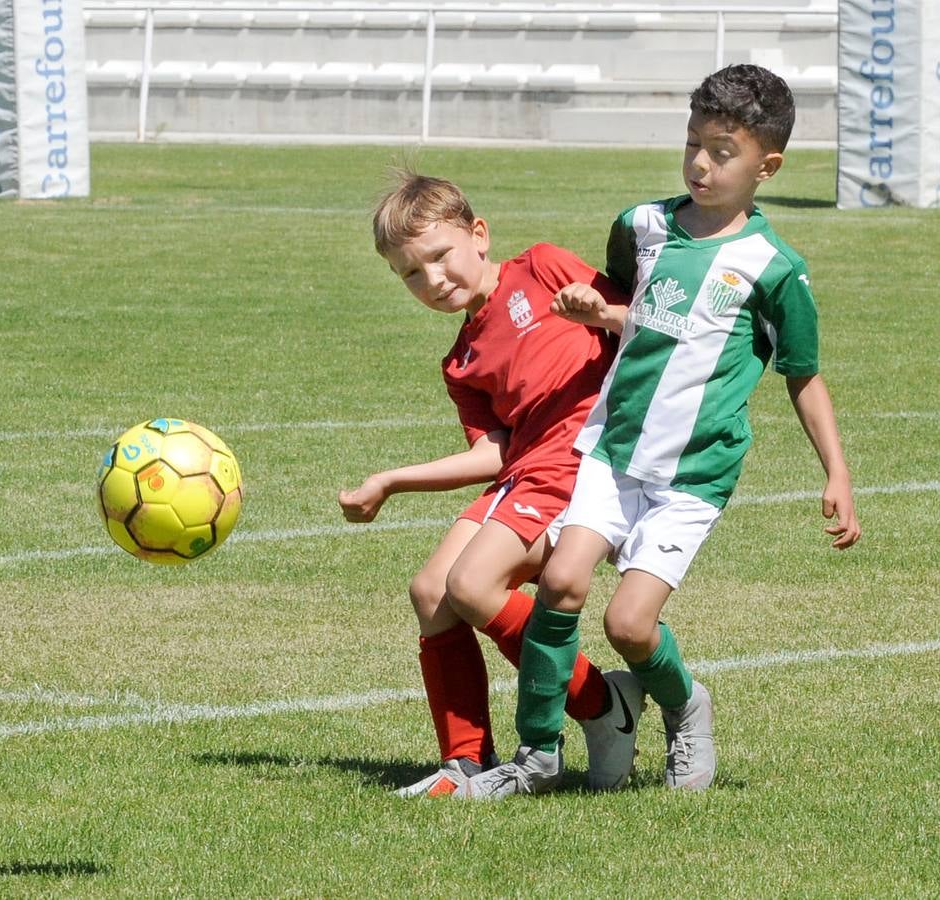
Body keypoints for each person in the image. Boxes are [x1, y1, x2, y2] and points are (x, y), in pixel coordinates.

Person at [459, 65, 862, 800]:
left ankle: (682, 703)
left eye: (721, 150)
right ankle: (536, 757)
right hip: (612, 450)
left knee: (629, 625)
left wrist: (834, 471)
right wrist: (594, 309)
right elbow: (633, 309)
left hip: (692, 475)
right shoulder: (641, 225)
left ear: (765, 165)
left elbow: (802, 373)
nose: (700, 164)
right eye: (691, 145)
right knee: (560, 581)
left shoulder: (773, 269)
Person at [338, 171, 639, 797]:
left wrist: (604, 314)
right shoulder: (461, 360)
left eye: (439, 257)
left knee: (473, 585)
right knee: (430, 592)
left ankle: (601, 704)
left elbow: (638, 328)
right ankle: (466, 760)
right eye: (410, 274)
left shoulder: (545, 267)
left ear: (479, 235)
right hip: (526, 470)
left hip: (580, 462)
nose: (432, 280)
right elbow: (490, 453)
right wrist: (392, 480)